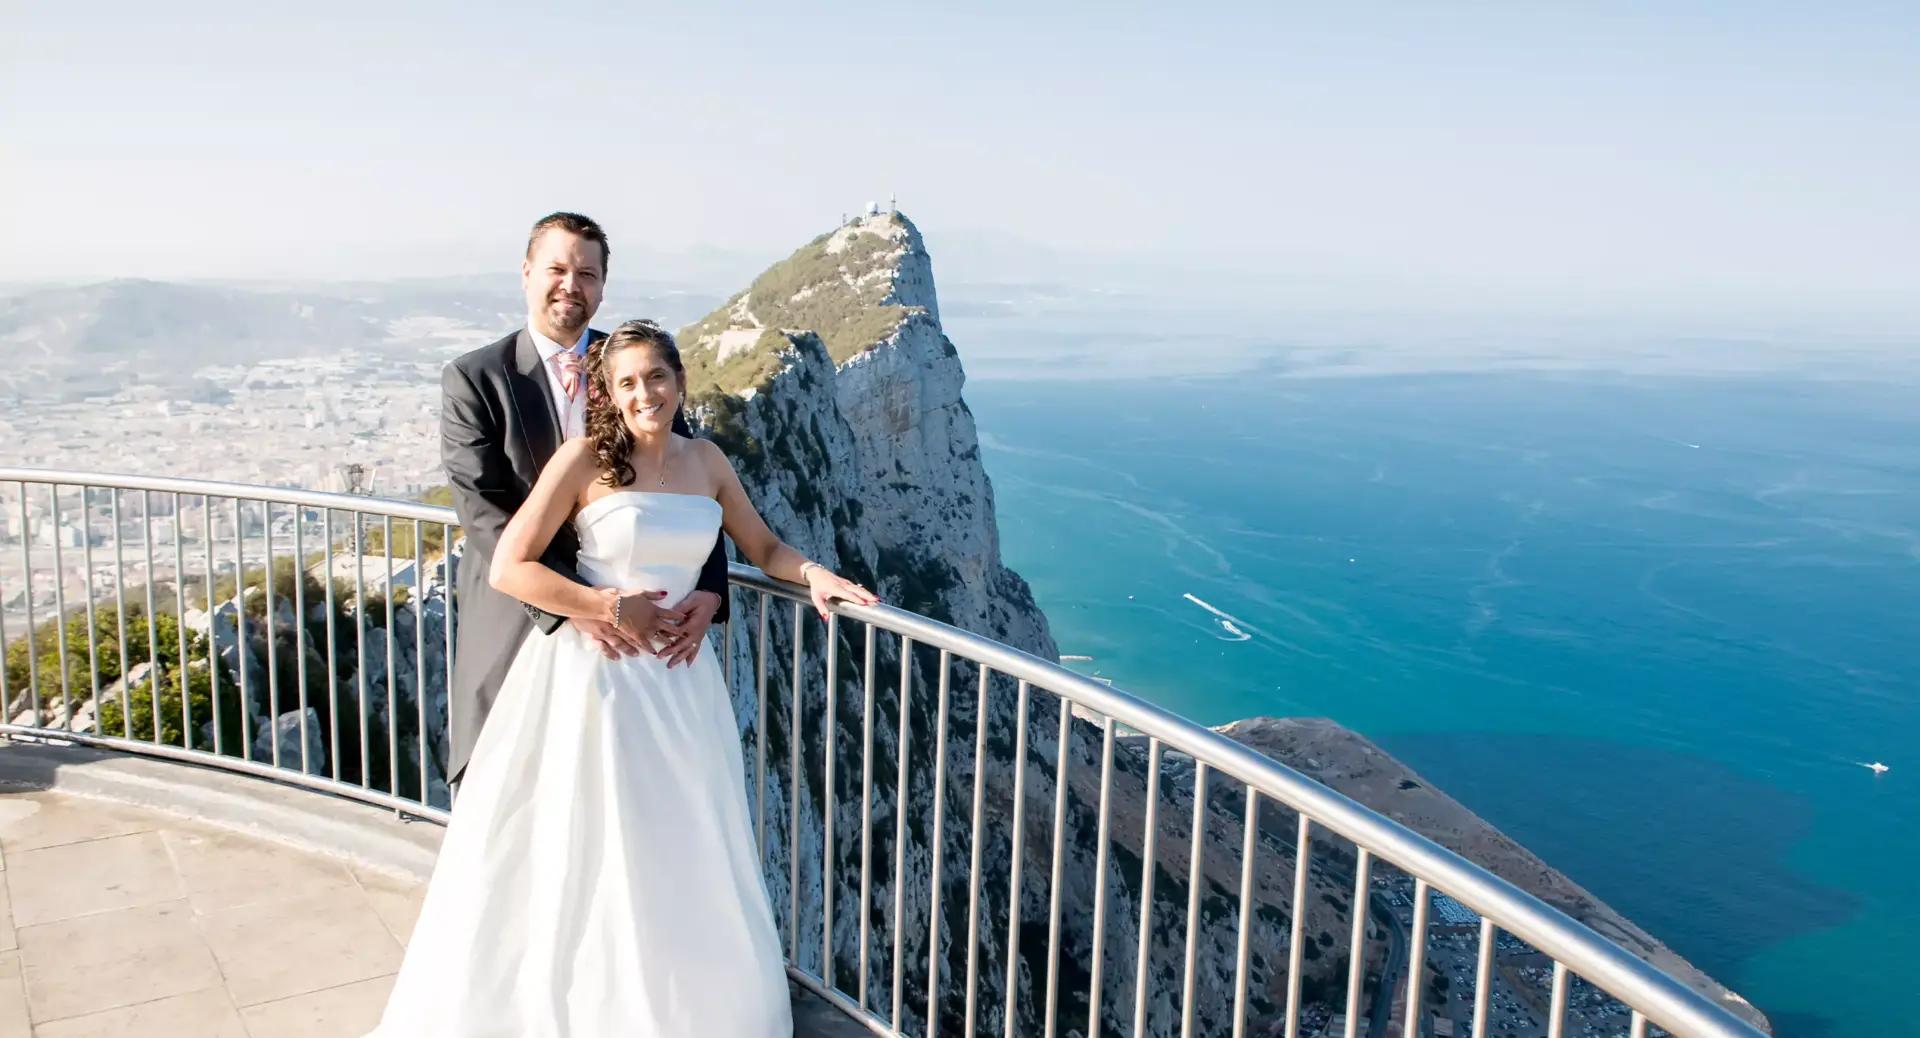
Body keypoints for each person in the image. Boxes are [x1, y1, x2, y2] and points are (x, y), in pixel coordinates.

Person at [370, 320, 878, 1035]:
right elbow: (511, 565)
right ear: (608, 392)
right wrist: (607, 606)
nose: (647, 393)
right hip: (597, 679)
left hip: (681, 686)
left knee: (681, 843)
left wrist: (818, 574)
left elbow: (762, 546)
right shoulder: (581, 461)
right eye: (629, 382)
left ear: (681, 382)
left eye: (658, 378)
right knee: (594, 847)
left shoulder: (707, 462)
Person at [438, 212, 730, 792]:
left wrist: (712, 590)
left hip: (639, 642)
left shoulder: (635, 369)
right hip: (522, 619)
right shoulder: (475, 378)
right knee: (512, 795)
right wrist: (580, 604)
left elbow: (684, 482)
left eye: (588, 273)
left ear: (602, 287)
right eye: (558, 268)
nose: (572, 284)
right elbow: (484, 512)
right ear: (526, 273)